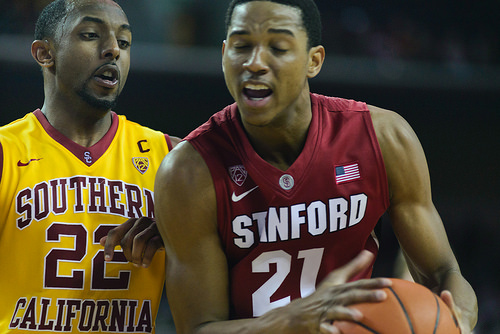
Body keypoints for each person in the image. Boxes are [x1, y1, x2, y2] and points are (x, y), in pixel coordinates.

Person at [153, 0, 478, 333]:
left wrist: (459, 320)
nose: (255, 63)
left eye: (278, 48)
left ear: (314, 60)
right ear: (224, 54)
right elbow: (198, 328)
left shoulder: (384, 137)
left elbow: (443, 272)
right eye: (241, 47)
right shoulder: (189, 171)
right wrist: (289, 323)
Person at [0, 0, 179, 332]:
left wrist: (179, 232)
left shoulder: (173, 157)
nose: (113, 49)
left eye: (124, 42)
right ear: (44, 53)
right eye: (90, 35)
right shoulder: (6, 151)